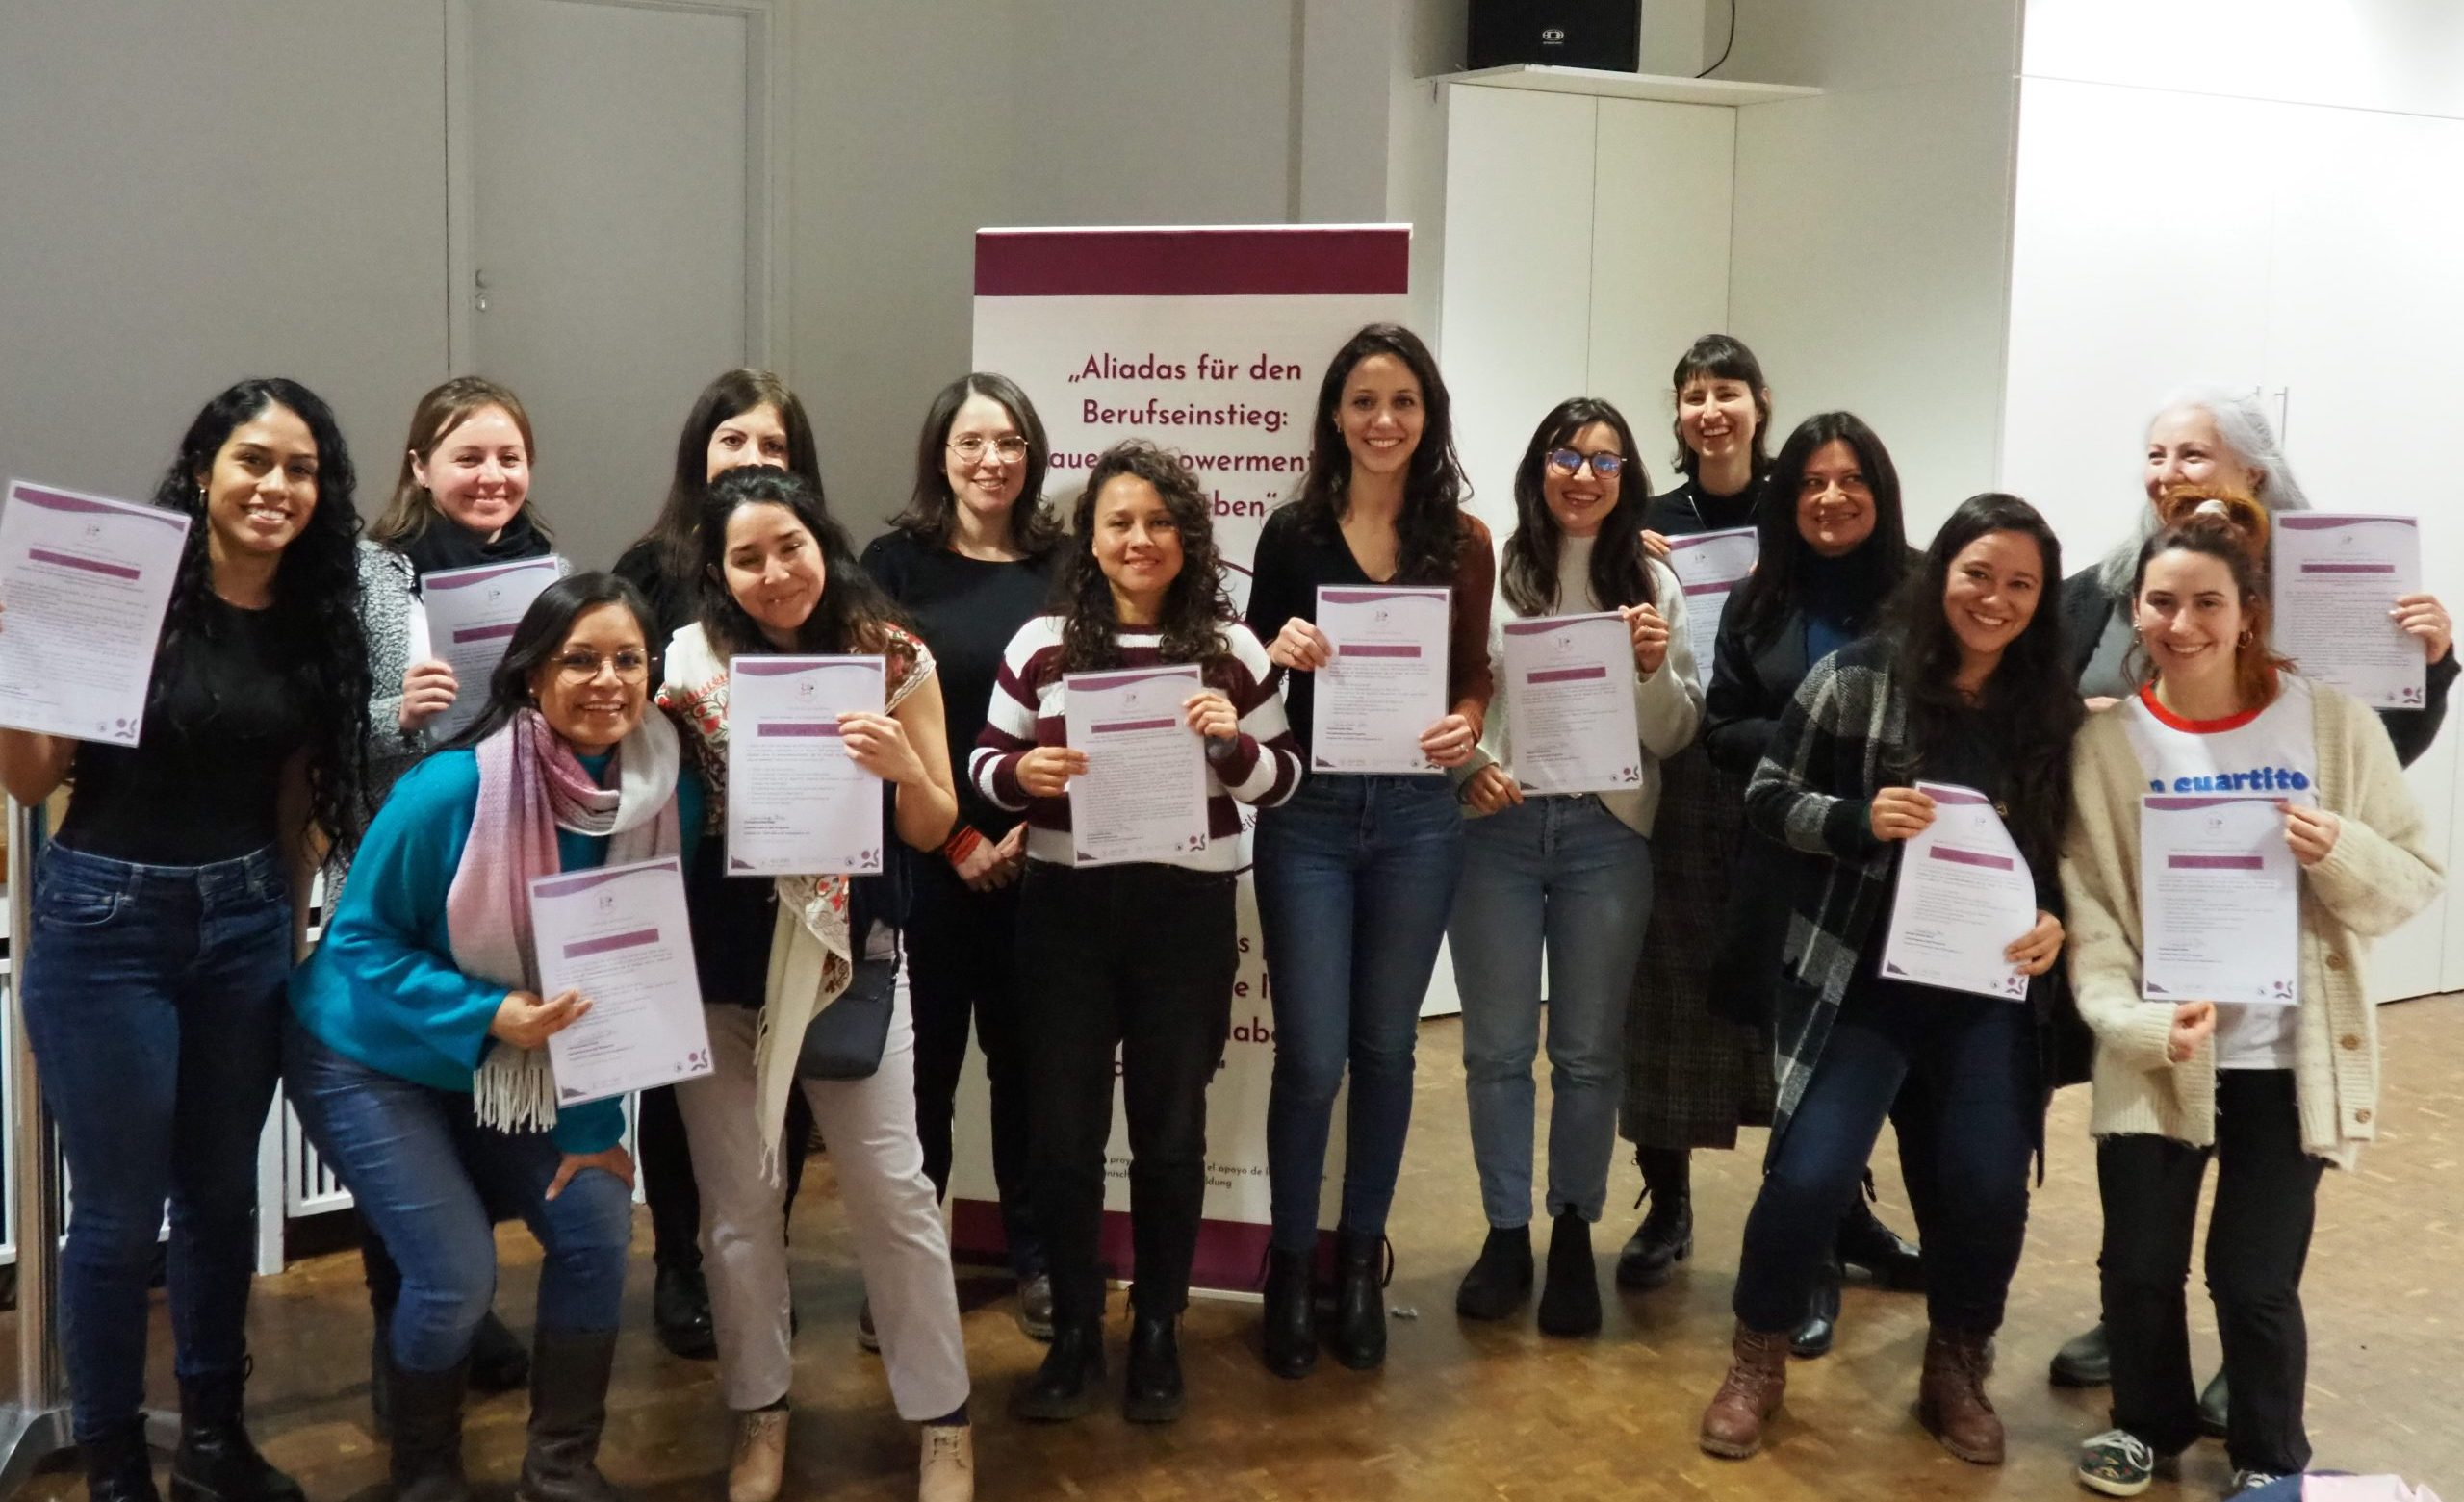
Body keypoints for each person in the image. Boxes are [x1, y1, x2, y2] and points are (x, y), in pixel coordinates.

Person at [2049, 388, 2456, 1414]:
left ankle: (2259, 1414)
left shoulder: (2323, 647)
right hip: (2160, 997)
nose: (2168, 470)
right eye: (2154, 452)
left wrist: (2434, 666)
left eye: (2193, 451)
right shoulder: (2099, 594)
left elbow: (2384, 788)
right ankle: (2148, 1392)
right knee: (2141, 1257)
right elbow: (2080, 841)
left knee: (2251, 1274)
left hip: (2281, 1015)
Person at [1, 378, 370, 1502]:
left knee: (220, 1198)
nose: (276, 486)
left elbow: (296, 794)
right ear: (205, 469)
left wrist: (290, 932)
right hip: (106, 921)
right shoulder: (129, 590)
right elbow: (29, 777)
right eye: (254, 460)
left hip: (245, 920)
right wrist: (27, 657)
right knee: (115, 1215)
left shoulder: (314, 615)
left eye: (300, 469)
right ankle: (118, 1467)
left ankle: (213, 1438)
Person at [287, 572, 688, 1502]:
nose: (608, 680)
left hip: (514, 1058)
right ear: (529, 675)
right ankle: (426, 1473)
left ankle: (559, 1469)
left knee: (595, 1226)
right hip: (369, 1051)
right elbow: (357, 945)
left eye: (628, 659)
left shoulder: (664, 795)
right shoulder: (452, 788)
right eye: (580, 658)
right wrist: (485, 1012)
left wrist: (595, 1129)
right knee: (457, 1274)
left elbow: (626, 973)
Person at [1695, 494, 2080, 1464]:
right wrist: (1858, 819)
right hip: (1860, 982)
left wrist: (2055, 923)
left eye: (2019, 584)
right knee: (1811, 1171)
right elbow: (1767, 796)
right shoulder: (1854, 678)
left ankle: (1955, 1362)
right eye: (1977, 574)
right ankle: (1757, 1355)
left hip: (1988, 992)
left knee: (1989, 1182)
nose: (1994, 599)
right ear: (1940, 571)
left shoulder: (2051, 711)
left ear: (2041, 598)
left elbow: (2076, 853)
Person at [658, 466, 975, 1502]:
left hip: (855, 958)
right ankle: (759, 1412)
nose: (773, 572)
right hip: (722, 966)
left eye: (787, 546)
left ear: (819, 540)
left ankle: (942, 1419)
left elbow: (933, 826)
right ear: (717, 570)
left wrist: (901, 769)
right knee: (741, 1206)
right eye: (746, 557)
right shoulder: (690, 662)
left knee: (895, 1195)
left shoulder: (891, 654)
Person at [975, 441, 1304, 1423]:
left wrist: (1233, 742)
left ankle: (1156, 1327)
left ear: (1188, 537)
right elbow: (985, 763)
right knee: (1064, 1136)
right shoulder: (1039, 644)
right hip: (1065, 912)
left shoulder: (1232, 648)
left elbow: (1283, 780)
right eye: (1119, 521)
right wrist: (1021, 780)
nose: (1139, 539)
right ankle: (1077, 1330)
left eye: (1159, 522)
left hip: (1184, 913)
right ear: (1091, 538)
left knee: (1170, 1131)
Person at [1246, 322, 1495, 1378]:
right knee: (1310, 1056)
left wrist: (1470, 724)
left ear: (1426, 415)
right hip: (1306, 813)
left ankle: (1358, 1263)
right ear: (1335, 418)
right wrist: (1276, 648)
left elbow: (1474, 672)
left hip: (1415, 817)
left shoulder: (1462, 540)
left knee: (1387, 1051)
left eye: (1401, 401)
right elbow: (1247, 677)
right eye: (1363, 402)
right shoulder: (1291, 534)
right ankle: (1290, 1264)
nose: (1382, 421)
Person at [1447, 398, 1702, 1337]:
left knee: (1589, 1056)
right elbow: (1459, 698)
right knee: (1496, 1051)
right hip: (1499, 831)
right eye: (1565, 454)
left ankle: (1569, 1235)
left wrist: (1646, 668)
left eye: (1603, 458)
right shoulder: (1491, 570)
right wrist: (1471, 769)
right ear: (1538, 467)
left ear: (1625, 476)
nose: (1582, 473)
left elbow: (1675, 731)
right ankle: (1505, 1229)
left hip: (1606, 836)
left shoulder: (1652, 585)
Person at [1696, 410, 1925, 1357]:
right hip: (1789, 864)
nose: (1830, 498)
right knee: (1803, 1065)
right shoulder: (1755, 602)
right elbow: (1720, 731)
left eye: (1850, 480)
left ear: (1879, 490)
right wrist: (1813, 738)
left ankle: (1850, 1220)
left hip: (1902, 876)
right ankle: (1814, 1262)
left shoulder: (1924, 592)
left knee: (1871, 1056)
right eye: (1811, 484)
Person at [614, 368, 830, 1360]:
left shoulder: (824, 570)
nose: (750, 460)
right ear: (699, 453)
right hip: (682, 864)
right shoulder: (649, 574)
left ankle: (762, 1255)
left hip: (798, 867)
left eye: (770, 446)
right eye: (731, 441)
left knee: (780, 1073)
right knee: (677, 1076)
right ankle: (680, 1266)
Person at [352, 374, 555, 1421]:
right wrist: (396, 714)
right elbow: (321, 732)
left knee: (478, 1104)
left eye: (508, 457)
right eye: (468, 457)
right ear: (420, 467)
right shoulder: (373, 578)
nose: (491, 476)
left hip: (511, 873)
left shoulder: (543, 571)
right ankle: (407, 1347)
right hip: (403, 878)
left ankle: (464, 1311)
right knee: (410, 1105)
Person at [860, 372, 1062, 1340]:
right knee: (921, 1076)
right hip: (925, 863)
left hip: (1044, 857)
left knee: (1029, 1071)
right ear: (940, 453)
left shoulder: (1069, 565)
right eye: (972, 442)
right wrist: (963, 838)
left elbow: (1098, 707)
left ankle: (1036, 1261)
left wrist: (1026, 831)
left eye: (1010, 441)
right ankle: (905, 1273)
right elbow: (872, 719)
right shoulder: (892, 565)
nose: (992, 460)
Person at [1614, 334, 1787, 1289]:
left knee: (1797, 987)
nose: (1709, 410)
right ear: (1676, 416)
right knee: (1668, 986)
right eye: (1692, 396)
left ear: (1760, 404)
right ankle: (1666, 1201)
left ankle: (1830, 1205)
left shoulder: (1799, 511)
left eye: (1726, 392)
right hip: (1681, 759)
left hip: (1780, 763)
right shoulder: (1645, 520)